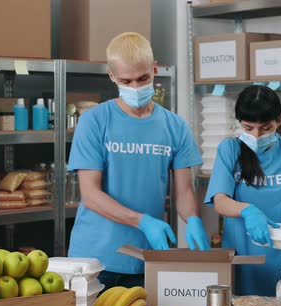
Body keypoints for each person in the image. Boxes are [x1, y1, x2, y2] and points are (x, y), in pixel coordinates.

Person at [67, 32, 210, 291]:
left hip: (147, 259)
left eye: (143, 78)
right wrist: (143, 221)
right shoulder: (95, 122)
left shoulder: (175, 126)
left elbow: (185, 191)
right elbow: (90, 194)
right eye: (126, 80)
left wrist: (193, 220)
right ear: (112, 77)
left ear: (154, 69)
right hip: (94, 262)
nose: (135, 87)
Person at [204, 85, 281, 296]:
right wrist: (247, 210)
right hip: (244, 259)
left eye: (266, 128)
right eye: (248, 128)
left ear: (279, 120)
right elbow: (220, 200)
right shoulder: (229, 149)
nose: (256, 135)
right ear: (239, 123)